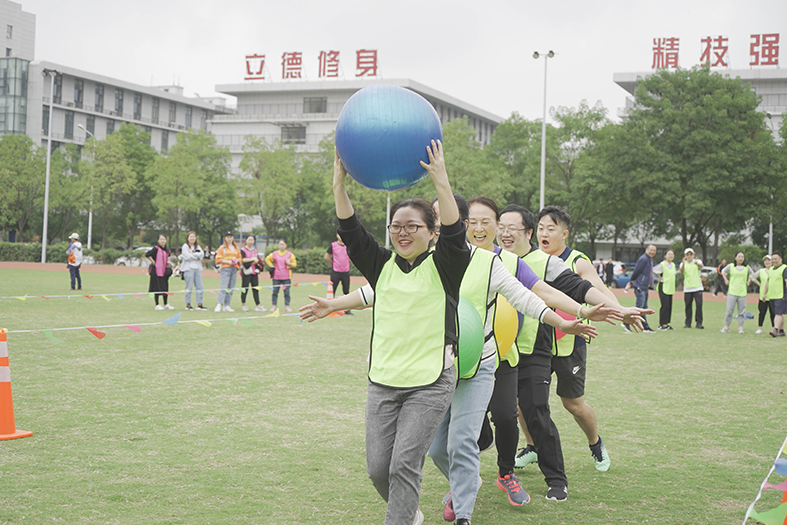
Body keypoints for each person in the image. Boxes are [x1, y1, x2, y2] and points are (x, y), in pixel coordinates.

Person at [330, 140, 472, 525]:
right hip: (384, 380)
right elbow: (352, 229)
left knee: (404, 464)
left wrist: (440, 179)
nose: (402, 233)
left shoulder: (447, 264)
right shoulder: (382, 265)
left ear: (432, 232)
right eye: (397, 227)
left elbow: (457, 230)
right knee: (379, 469)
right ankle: (408, 513)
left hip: (431, 381)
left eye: (412, 227)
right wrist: (339, 186)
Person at [497, 204, 646, 503]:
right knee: (503, 413)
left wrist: (617, 309)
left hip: (538, 348)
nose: (504, 233)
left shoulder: (548, 263)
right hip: (496, 351)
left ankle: (559, 477)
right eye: (500, 227)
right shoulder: (490, 259)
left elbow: (581, 287)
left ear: (526, 232)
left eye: (512, 228)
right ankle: (510, 464)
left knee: (547, 409)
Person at [623, 244, 657, 333]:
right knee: (639, 307)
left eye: (654, 250)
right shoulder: (644, 259)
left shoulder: (649, 259)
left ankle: (645, 326)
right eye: (651, 250)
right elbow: (637, 270)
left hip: (645, 286)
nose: (652, 252)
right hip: (640, 286)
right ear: (646, 249)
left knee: (644, 307)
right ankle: (626, 322)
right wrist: (632, 280)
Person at [720, 252, 755, 334]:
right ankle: (726, 326)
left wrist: (749, 280)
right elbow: (723, 271)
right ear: (735, 258)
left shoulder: (746, 267)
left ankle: (740, 327)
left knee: (742, 311)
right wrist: (726, 279)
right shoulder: (731, 266)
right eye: (739, 257)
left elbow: (752, 273)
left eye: (742, 257)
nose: (741, 258)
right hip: (732, 291)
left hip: (742, 292)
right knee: (729, 310)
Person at [265, 240, 297, 313]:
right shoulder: (275, 253)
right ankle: (273, 306)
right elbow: (267, 259)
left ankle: (287, 306)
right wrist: (271, 266)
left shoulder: (289, 254)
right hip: (276, 276)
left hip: (286, 277)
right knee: (275, 292)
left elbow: (294, 264)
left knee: (287, 292)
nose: (281, 246)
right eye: (280, 244)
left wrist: (290, 263)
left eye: (282, 244)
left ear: (286, 245)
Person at [325, 233, 353, 314]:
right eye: (340, 234)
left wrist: (347, 264)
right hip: (335, 271)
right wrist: (333, 264)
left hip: (345, 272)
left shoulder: (348, 246)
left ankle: (347, 310)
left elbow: (351, 258)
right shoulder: (333, 245)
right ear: (337, 235)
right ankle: (329, 308)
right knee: (332, 290)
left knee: (346, 291)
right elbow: (326, 256)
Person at [146, 234, 174, 310]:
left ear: (166, 240)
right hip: (156, 271)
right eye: (161, 239)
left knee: (165, 287)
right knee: (156, 287)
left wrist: (168, 262)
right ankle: (157, 304)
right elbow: (147, 254)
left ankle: (165, 304)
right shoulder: (156, 248)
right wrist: (153, 261)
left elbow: (168, 257)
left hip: (164, 271)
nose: (162, 241)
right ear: (158, 241)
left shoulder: (167, 249)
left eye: (164, 239)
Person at [214, 232, 241, 313]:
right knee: (223, 287)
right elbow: (218, 259)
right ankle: (219, 304)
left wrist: (237, 261)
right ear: (225, 238)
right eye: (227, 237)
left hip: (234, 269)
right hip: (225, 268)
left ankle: (227, 305)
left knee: (231, 288)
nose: (229, 239)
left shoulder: (236, 248)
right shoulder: (222, 248)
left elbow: (240, 257)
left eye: (230, 237)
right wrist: (228, 262)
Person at [181, 231, 207, 311]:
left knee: (200, 286)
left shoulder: (197, 247)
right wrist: (196, 255)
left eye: (193, 237)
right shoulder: (185, 246)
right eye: (190, 237)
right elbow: (187, 256)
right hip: (188, 269)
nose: (192, 238)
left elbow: (202, 255)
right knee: (189, 287)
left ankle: (199, 303)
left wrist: (193, 254)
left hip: (197, 268)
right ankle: (188, 304)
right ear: (187, 238)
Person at [763, 252, 787, 338]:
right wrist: (764, 294)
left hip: (781, 295)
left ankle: (775, 329)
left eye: (775, 259)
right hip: (772, 295)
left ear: (781, 259)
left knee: (778, 314)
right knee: (779, 313)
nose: (773, 260)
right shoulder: (771, 269)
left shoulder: (784, 268)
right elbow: (768, 282)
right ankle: (781, 331)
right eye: (772, 259)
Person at [680, 248, 704, 329]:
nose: (689, 256)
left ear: (694, 255)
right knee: (688, 306)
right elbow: (681, 271)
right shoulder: (683, 264)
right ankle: (688, 323)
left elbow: (702, 266)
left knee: (699, 305)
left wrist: (697, 263)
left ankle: (699, 323)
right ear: (685, 256)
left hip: (698, 288)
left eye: (691, 254)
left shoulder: (697, 261)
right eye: (687, 254)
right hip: (688, 288)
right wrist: (683, 264)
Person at [653, 249, 677, 330]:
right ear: (665, 256)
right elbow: (653, 270)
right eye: (669, 254)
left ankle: (667, 324)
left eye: (672, 254)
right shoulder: (662, 264)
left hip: (670, 287)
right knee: (664, 305)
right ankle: (660, 324)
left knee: (669, 306)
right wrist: (659, 277)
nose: (671, 256)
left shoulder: (673, 265)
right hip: (663, 286)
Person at [240, 235, 264, 312]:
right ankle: (243, 304)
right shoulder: (243, 250)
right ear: (246, 241)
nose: (250, 241)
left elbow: (257, 259)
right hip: (246, 271)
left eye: (252, 240)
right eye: (249, 240)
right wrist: (252, 260)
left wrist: (256, 261)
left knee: (255, 288)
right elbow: (243, 259)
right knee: (245, 288)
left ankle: (258, 305)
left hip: (254, 272)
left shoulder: (255, 250)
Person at [754, 255, 774, 334]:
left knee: (773, 313)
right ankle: (760, 328)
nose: (767, 262)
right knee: (762, 312)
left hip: (773, 295)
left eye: (768, 260)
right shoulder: (761, 271)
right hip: (763, 295)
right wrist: (759, 284)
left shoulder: (774, 270)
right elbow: (752, 277)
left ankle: (774, 328)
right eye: (765, 261)